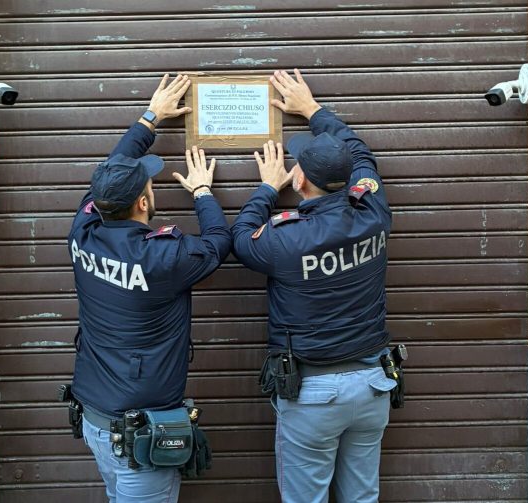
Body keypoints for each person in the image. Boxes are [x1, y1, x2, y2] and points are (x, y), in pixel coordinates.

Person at [231, 69, 396, 503]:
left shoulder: (284, 239)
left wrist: (267, 187)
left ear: (297, 180)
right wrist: (313, 110)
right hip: (373, 384)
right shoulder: (373, 210)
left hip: (314, 394)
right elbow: (362, 156)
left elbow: (241, 238)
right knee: (362, 498)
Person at [67, 74, 231, 502]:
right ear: (143, 202)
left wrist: (149, 118)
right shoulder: (162, 257)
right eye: (148, 184)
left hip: (98, 422)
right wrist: (202, 192)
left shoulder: (83, 230)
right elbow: (218, 244)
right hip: (138, 436)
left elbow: (106, 178)